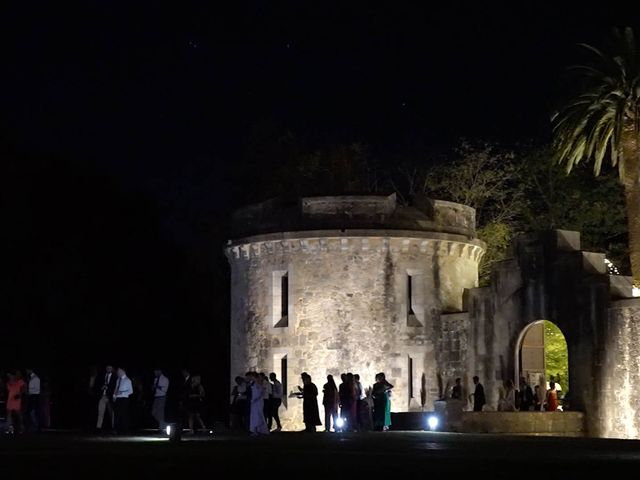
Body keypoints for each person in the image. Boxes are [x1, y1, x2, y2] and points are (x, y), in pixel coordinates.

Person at [96, 365, 117, 432]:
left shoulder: (115, 377)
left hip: (110, 397)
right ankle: (98, 427)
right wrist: (101, 388)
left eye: (110, 368)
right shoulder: (102, 376)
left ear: (112, 369)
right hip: (102, 396)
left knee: (112, 413)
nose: (109, 369)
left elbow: (114, 387)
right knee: (100, 412)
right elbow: (97, 385)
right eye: (107, 368)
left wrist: (107, 387)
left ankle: (113, 427)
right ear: (106, 368)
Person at [113, 367, 133, 434]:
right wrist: (114, 396)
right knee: (116, 414)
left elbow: (131, 391)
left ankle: (125, 430)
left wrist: (121, 392)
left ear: (123, 371)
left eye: (119, 371)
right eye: (117, 371)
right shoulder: (118, 380)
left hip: (124, 399)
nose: (117, 372)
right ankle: (116, 429)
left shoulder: (128, 380)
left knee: (123, 414)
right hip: (118, 398)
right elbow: (116, 388)